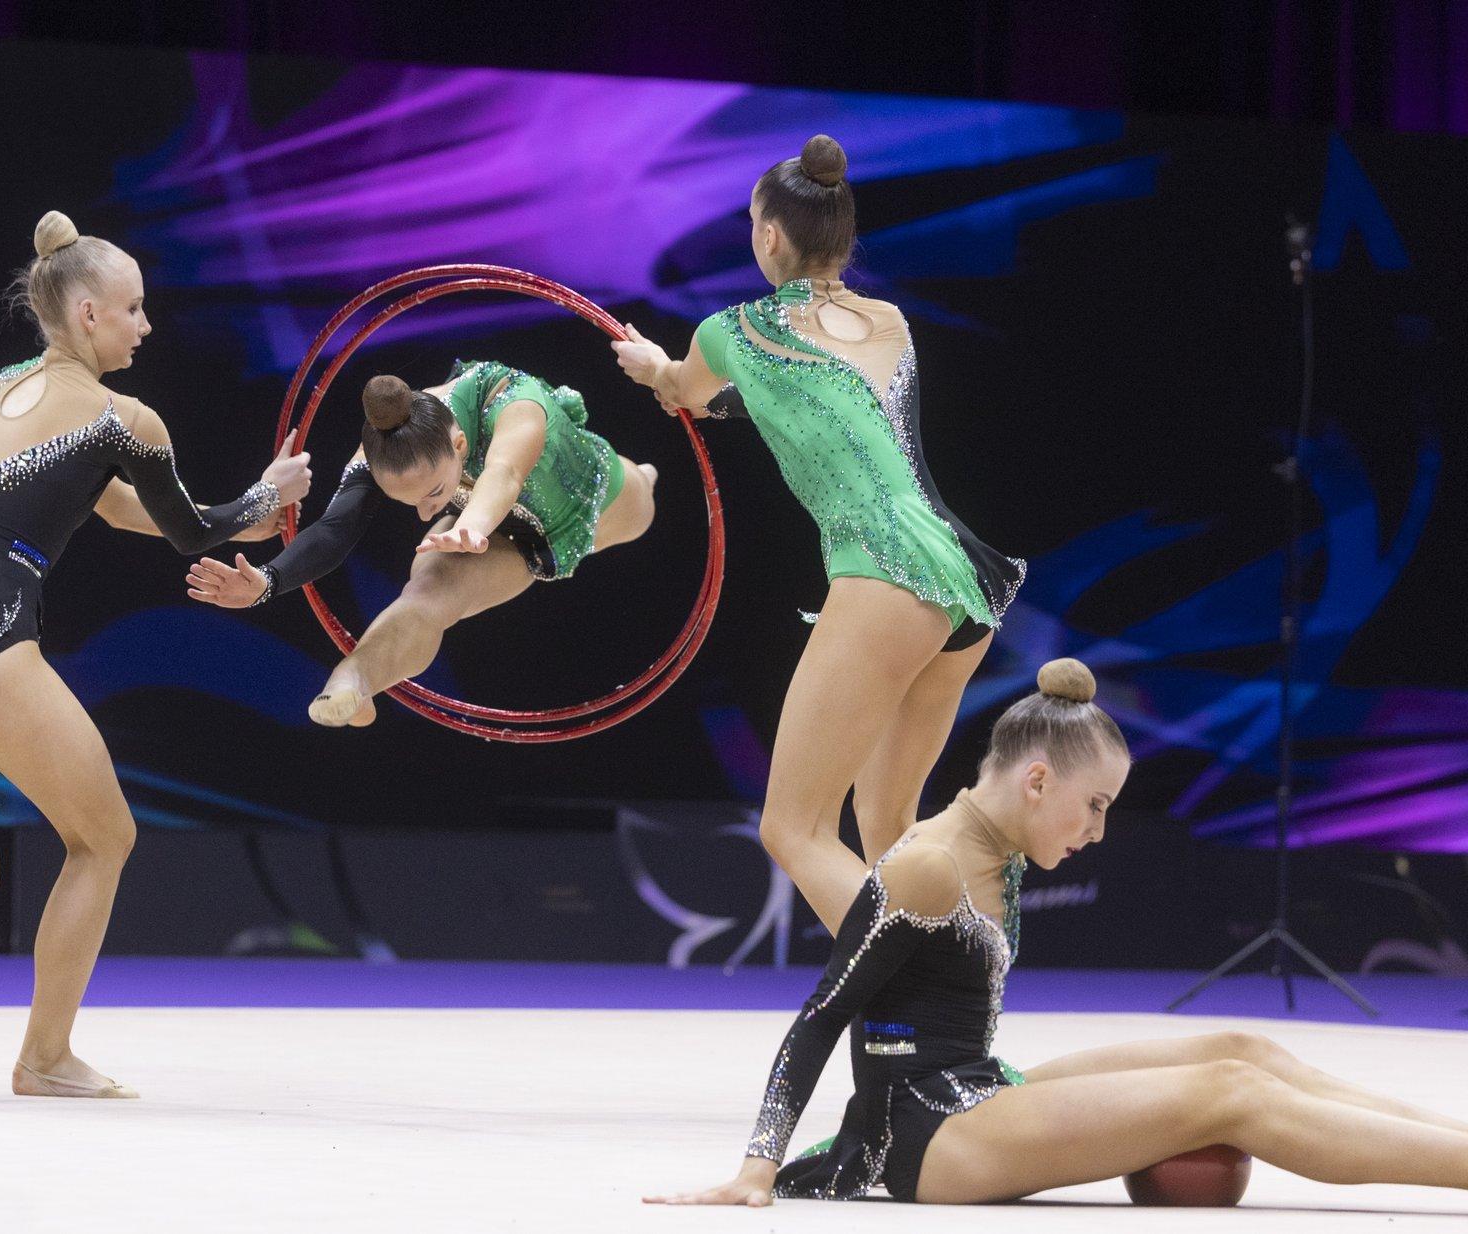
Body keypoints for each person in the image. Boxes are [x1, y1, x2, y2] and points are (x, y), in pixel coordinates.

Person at [649, 659, 1468, 1205]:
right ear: (1037, 781)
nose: (1098, 832)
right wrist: (757, 1168)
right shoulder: (927, 865)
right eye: (1096, 806)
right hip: (926, 1133)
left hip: (977, 1087)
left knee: (1243, 1051)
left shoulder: (996, 849)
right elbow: (823, 1014)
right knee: (1233, 1095)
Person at [0, 211, 311, 1102]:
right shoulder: (127, 418)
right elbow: (192, 533)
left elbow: (120, 509)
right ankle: (45, 1056)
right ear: (89, 312)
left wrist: (262, 504)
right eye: (134, 308)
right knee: (103, 839)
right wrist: (272, 493)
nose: (146, 324)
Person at [612, 134, 1024, 932]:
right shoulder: (891, 322)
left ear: (768, 235)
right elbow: (816, 406)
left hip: (886, 573)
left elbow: (688, 395)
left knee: (793, 828)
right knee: (890, 833)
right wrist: (687, 384)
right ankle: (955, 1028)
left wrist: (653, 366)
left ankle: (921, 1002)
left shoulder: (730, 331)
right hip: (964, 582)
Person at [186, 359, 657, 727]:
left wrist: (471, 523)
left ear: (457, 445)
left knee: (644, 499)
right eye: (406, 502)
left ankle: (647, 476)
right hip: (491, 529)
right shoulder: (385, 449)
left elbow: (504, 473)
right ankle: (354, 680)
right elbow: (334, 530)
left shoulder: (514, 401)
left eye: (431, 493)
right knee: (428, 593)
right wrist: (268, 580)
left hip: (597, 497)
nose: (425, 514)